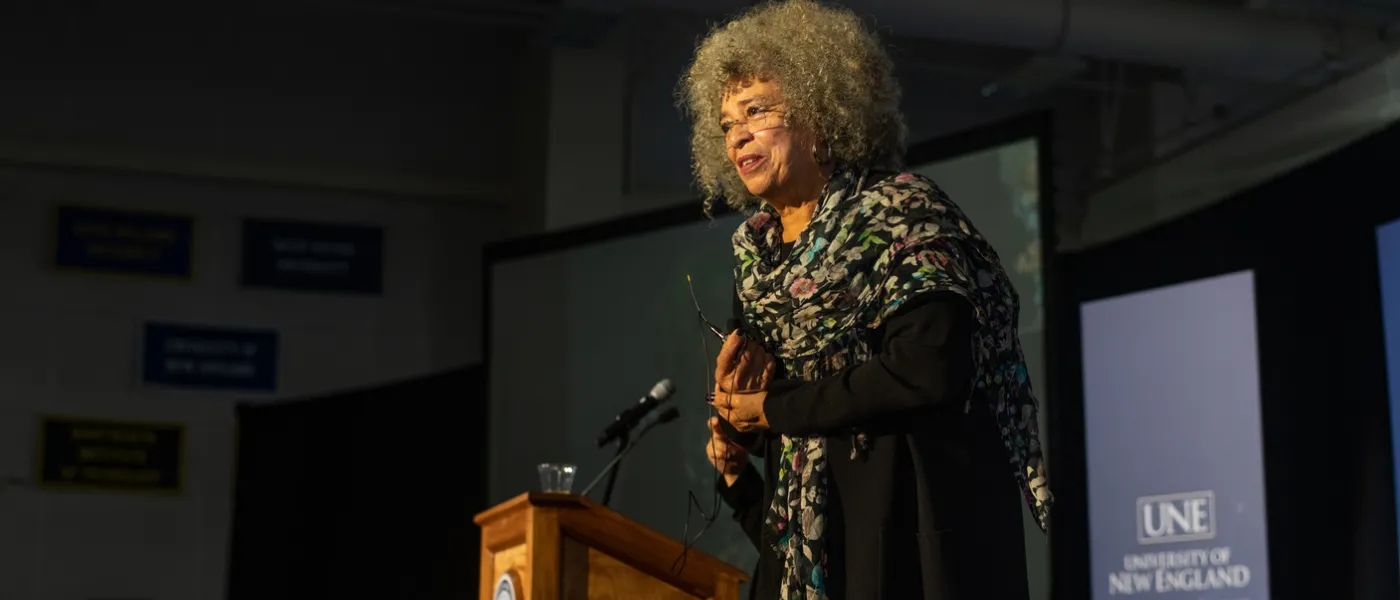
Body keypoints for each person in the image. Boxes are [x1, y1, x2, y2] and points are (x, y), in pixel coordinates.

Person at [679, 2, 1052, 599]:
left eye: (756, 111)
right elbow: (798, 528)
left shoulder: (903, 217)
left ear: (820, 111)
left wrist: (772, 409)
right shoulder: (758, 262)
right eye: (726, 123)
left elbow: (927, 372)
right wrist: (736, 458)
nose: (738, 135)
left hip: (918, 552)